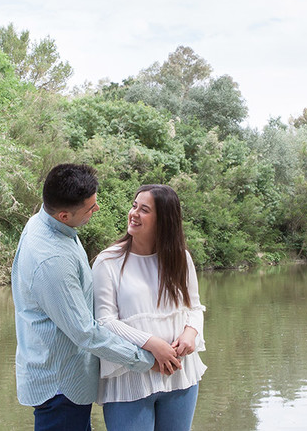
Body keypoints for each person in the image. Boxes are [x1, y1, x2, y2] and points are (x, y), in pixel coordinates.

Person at [12, 164, 183, 431]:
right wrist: (147, 359)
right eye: (90, 208)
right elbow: (85, 332)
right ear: (65, 214)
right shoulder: (53, 260)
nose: (97, 210)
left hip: (62, 377)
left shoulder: (50, 223)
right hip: (60, 386)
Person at [92, 184, 207, 431]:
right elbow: (104, 321)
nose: (134, 213)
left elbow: (195, 308)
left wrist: (190, 333)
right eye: (134, 206)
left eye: (144, 210)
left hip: (179, 375)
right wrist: (153, 344)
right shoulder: (108, 262)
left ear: (164, 220)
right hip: (129, 377)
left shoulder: (181, 258)